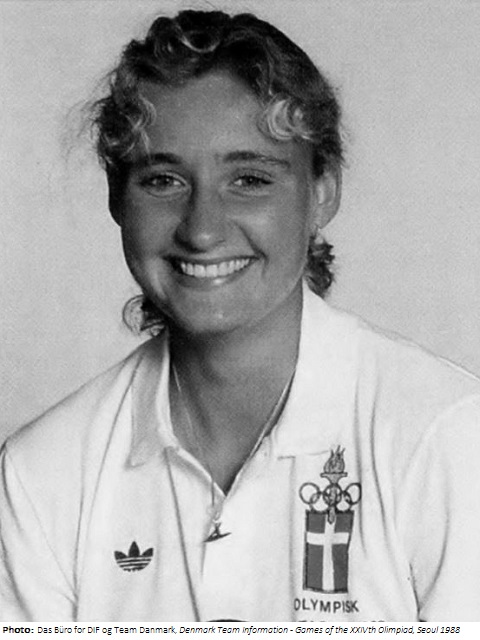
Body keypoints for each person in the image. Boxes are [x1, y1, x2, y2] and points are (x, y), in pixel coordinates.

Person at [1, 9, 479, 623]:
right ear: (118, 199)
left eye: (249, 179)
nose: (202, 230)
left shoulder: (446, 439)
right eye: (164, 179)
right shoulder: (42, 474)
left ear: (323, 193)